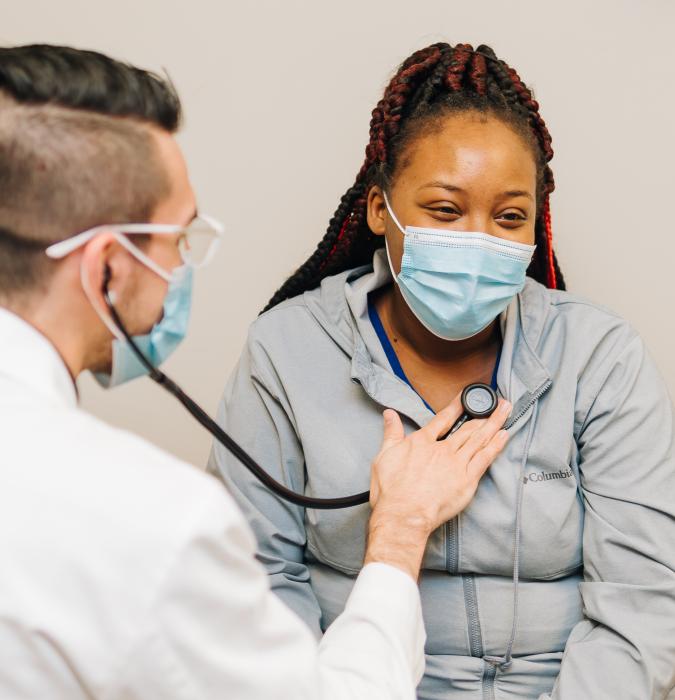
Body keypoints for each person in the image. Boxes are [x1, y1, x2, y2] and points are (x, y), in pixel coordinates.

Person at [0, 44, 513, 699]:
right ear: (108, 268)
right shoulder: (152, 523)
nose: (182, 270)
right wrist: (399, 532)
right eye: (179, 241)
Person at [208, 42, 675, 699]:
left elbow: (643, 602)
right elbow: (257, 582)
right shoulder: (285, 351)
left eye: (508, 217)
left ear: (535, 228)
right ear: (379, 209)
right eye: (445, 210)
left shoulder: (599, 357)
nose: (476, 238)